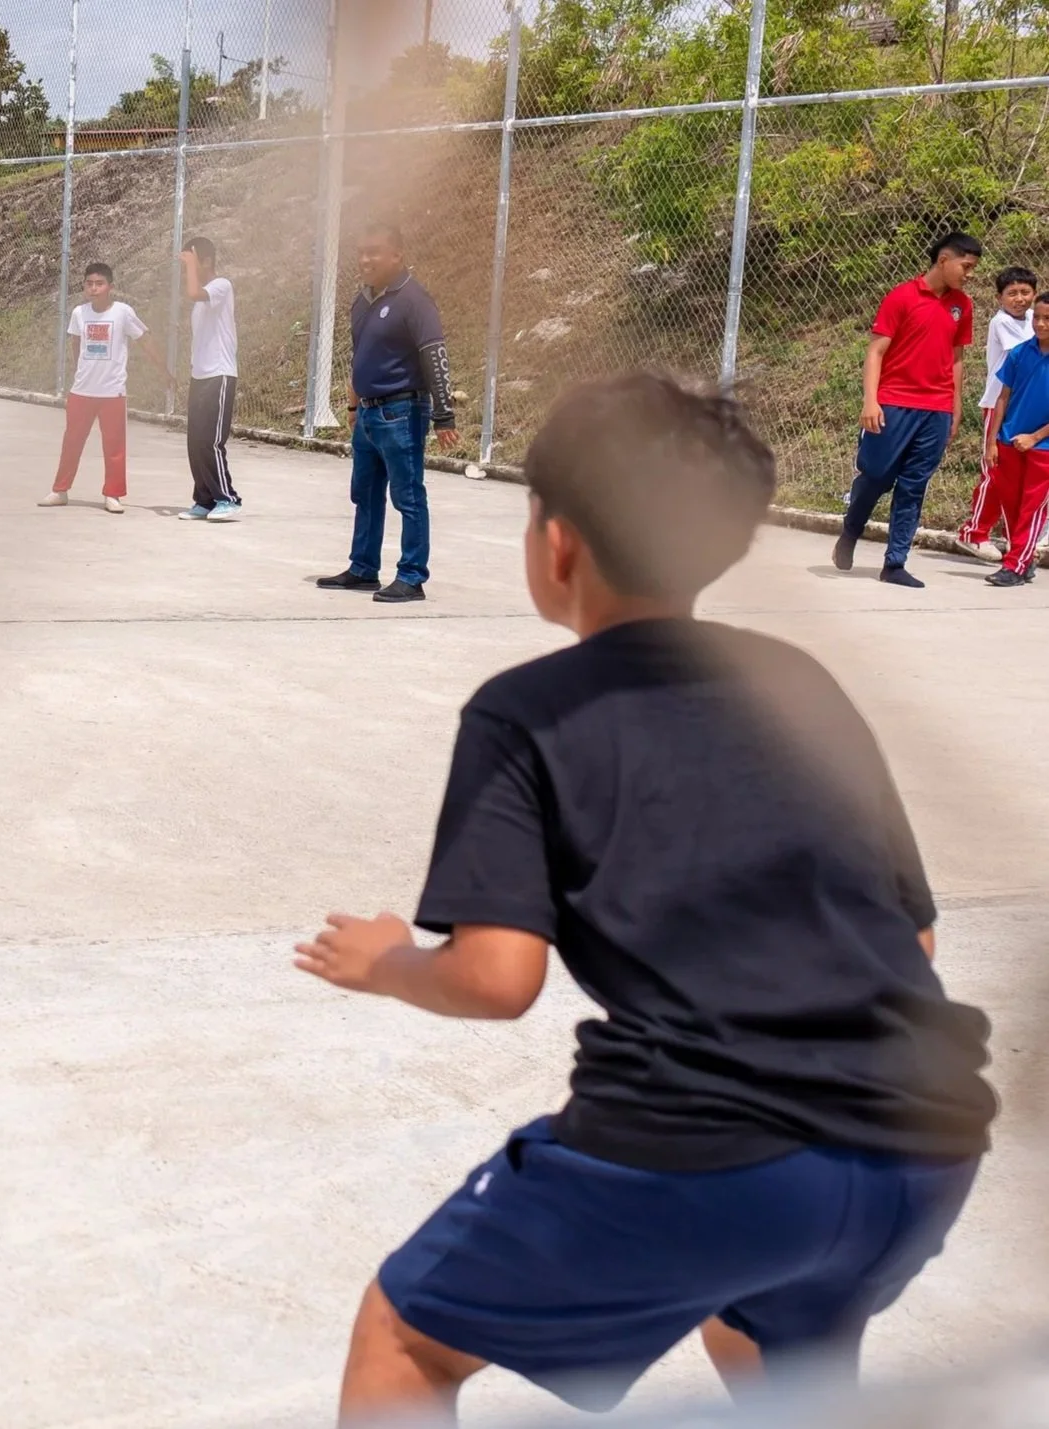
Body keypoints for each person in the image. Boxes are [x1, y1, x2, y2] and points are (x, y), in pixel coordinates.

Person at [294, 371, 994, 1426]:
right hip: (923, 1140)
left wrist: (388, 959)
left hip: (713, 1150)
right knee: (760, 1329)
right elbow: (918, 934)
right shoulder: (798, 681)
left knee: (404, 1337)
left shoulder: (522, 713)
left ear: (557, 542)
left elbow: (496, 978)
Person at [320, 222, 459, 604]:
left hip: (402, 412)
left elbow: (434, 353)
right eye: (362, 252)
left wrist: (444, 415)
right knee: (364, 493)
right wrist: (352, 406)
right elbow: (358, 357)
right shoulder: (362, 301)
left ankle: (412, 577)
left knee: (408, 495)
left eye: (375, 252)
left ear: (397, 255)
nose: (365, 259)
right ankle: (363, 567)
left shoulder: (415, 300)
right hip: (366, 414)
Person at [834, 232, 981, 586]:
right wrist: (871, 400)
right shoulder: (902, 297)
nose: (969, 274)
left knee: (914, 485)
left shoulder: (963, 304)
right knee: (877, 476)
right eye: (966, 266)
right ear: (944, 259)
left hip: (936, 410)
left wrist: (954, 406)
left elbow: (957, 359)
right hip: (894, 404)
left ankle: (895, 563)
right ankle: (851, 531)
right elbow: (876, 352)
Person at [40, 262, 170, 514]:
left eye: (99, 284)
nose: (94, 288)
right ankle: (60, 490)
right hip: (82, 391)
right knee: (72, 441)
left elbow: (144, 339)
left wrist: (163, 371)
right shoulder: (79, 313)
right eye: (89, 283)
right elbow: (76, 343)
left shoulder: (123, 312)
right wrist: (80, 372)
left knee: (114, 446)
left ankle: (113, 494)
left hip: (112, 392)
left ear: (110, 286)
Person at [954, 266, 1038, 564]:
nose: (1019, 299)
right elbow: (1027, 353)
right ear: (999, 297)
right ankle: (974, 532)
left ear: (1035, 294)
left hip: (1032, 406)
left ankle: (1023, 538)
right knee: (996, 471)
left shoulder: (1034, 318)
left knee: (1028, 475)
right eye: (1011, 293)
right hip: (1000, 405)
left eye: (1025, 292)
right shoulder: (1000, 322)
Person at [980, 295, 1049, 588]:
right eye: (1037, 318)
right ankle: (1024, 558)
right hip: (1009, 442)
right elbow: (1003, 397)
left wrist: (1035, 437)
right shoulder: (1020, 352)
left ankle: (1016, 565)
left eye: (1047, 319)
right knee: (1012, 505)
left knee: (1032, 509)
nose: (1041, 324)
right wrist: (993, 441)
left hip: (1042, 448)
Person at [178, 237, 241, 522]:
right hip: (200, 375)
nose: (187, 271)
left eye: (191, 263)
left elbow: (193, 292)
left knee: (211, 441)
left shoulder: (221, 286)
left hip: (220, 374)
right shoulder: (201, 299)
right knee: (195, 442)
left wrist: (190, 263)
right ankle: (204, 499)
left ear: (206, 261)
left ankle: (227, 497)